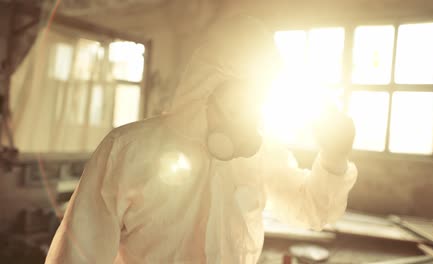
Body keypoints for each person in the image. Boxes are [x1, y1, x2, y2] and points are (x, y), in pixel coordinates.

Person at [45, 15, 357, 264]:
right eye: (245, 98)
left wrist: (334, 157)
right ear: (209, 89)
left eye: (260, 98)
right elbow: (77, 256)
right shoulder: (127, 151)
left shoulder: (261, 152)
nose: (254, 112)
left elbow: (312, 210)